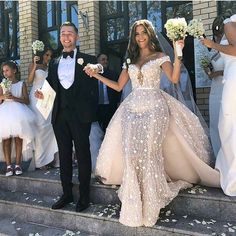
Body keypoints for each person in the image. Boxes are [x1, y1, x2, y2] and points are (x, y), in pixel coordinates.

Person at [84, 19, 220, 227]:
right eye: (136, 34)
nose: (140, 37)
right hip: (131, 109)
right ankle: (133, 206)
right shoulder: (129, 59)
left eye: (143, 33)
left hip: (155, 107)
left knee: (149, 153)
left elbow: (174, 79)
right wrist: (96, 76)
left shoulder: (160, 56)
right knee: (131, 154)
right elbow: (119, 86)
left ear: (149, 34)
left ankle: (151, 204)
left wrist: (178, 53)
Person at [35, 21, 102, 212]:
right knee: (64, 156)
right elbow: (49, 86)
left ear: (77, 37)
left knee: (82, 154)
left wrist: (98, 68)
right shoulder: (54, 62)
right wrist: (41, 94)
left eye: (70, 33)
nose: (66, 36)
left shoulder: (88, 59)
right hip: (59, 116)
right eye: (63, 33)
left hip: (81, 115)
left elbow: (98, 76)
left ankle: (84, 196)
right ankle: (66, 194)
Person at [201, 13, 236, 196]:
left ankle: (232, 174)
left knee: (228, 126)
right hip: (227, 82)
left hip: (232, 81)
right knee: (223, 126)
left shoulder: (229, 24)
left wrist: (211, 44)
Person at [0, 61, 35, 176]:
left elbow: (26, 100)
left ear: (14, 70)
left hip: (19, 111)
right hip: (5, 112)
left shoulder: (21, 84)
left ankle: (18, 164)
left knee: (18, 138)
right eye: (3, 71)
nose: (5, 73)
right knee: (6, 140)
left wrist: (14, 98)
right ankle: (9, 165)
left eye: (7, 70)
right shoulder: (2, 84)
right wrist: (3, 96)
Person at [28, 47, 58, 170]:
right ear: (41, 54)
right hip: (36, 97)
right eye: (46, 55)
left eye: (50, 55)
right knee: (40, 127)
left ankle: (49, 158)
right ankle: (40, 161)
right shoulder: (33, 65)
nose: (49, 58)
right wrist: (35, 65)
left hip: (47, 98)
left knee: (49, 127)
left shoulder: (49, 68)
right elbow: (29, 81)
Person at [90, 53, 121, 170]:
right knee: (98, 135)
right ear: (97, 61)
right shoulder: (92, 76)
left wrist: (118, 104)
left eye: (106, 59)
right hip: (97, 109)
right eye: (102, 59)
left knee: (109, 134)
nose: (105, 61)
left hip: (110, 108)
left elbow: (118, 91)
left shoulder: (112, 74)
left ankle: (110, 161)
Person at [204, 16, 224, 158]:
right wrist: (209, 71)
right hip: (214, 91)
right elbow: (211, 74)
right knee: (215, 124)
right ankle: (219, 158)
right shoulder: (211, 50)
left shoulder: (229, 47)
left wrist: (217, 72)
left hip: (227, 88)